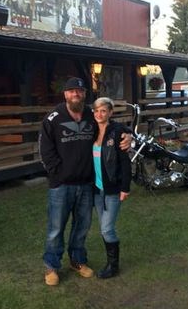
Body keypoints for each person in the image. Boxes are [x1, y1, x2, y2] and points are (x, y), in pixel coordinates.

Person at [39, 77, 132, 286]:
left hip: (87, 185)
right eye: (72, 91)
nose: (76, 94)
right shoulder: (53, 118)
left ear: (84, 95)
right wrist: (59, 174)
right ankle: (52, 266)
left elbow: (113, 125)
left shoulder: (91, 115)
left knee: (82, 226)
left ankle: (77, 260)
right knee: (56, 228)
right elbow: (45, 151)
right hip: (61, 185)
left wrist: (129, 135)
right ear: (65, 94)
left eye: (79, 91)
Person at [92, 97, 132, 278]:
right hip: (97, 189)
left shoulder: (117, 132)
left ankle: (113, 266)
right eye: (96, 111)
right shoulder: (91, 131)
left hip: (113, 188)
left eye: (103, 111)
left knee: (107, 229)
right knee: (104, 227)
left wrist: (125, 188)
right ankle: (110, 262)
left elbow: (125, 163)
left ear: (110, 113)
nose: (99, 114)